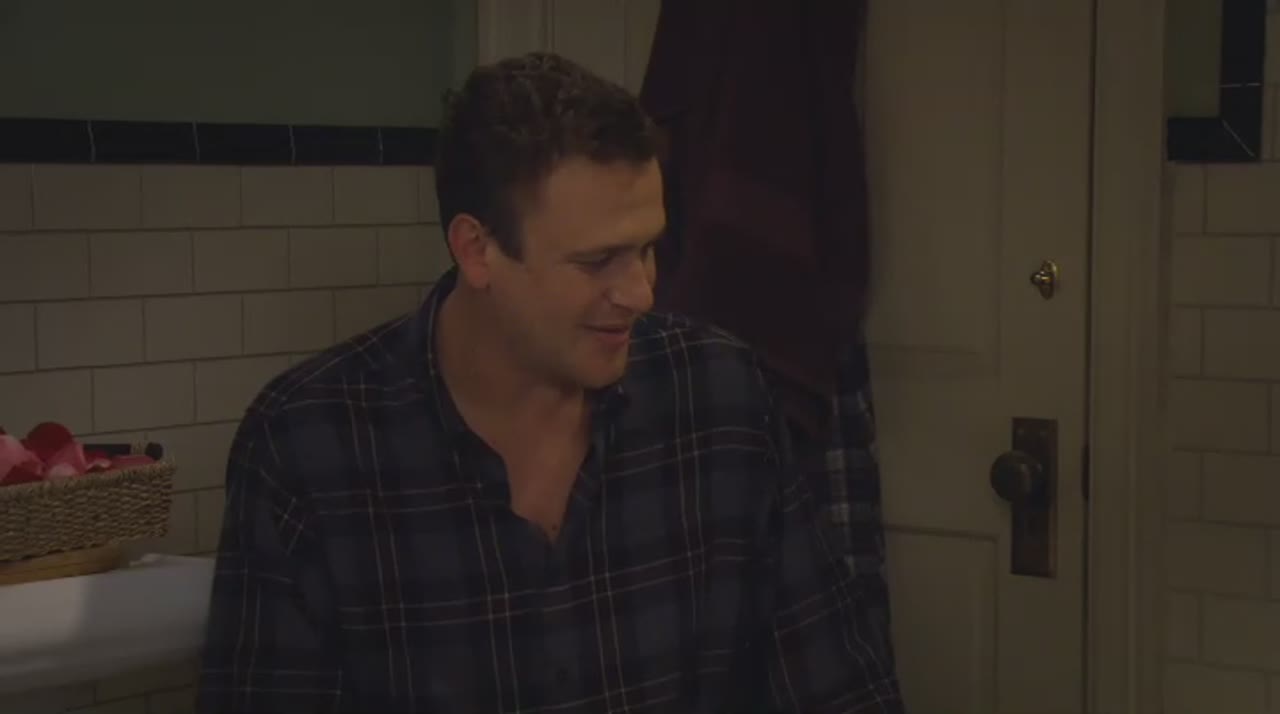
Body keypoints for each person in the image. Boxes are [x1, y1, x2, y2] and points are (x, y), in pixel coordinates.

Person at [196, 51, 903, 714]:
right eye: (598, 262)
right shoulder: (309, 446)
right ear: (477, 250)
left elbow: (840, 688)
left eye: (648, 249)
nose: (642, 293)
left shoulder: (720, 401)